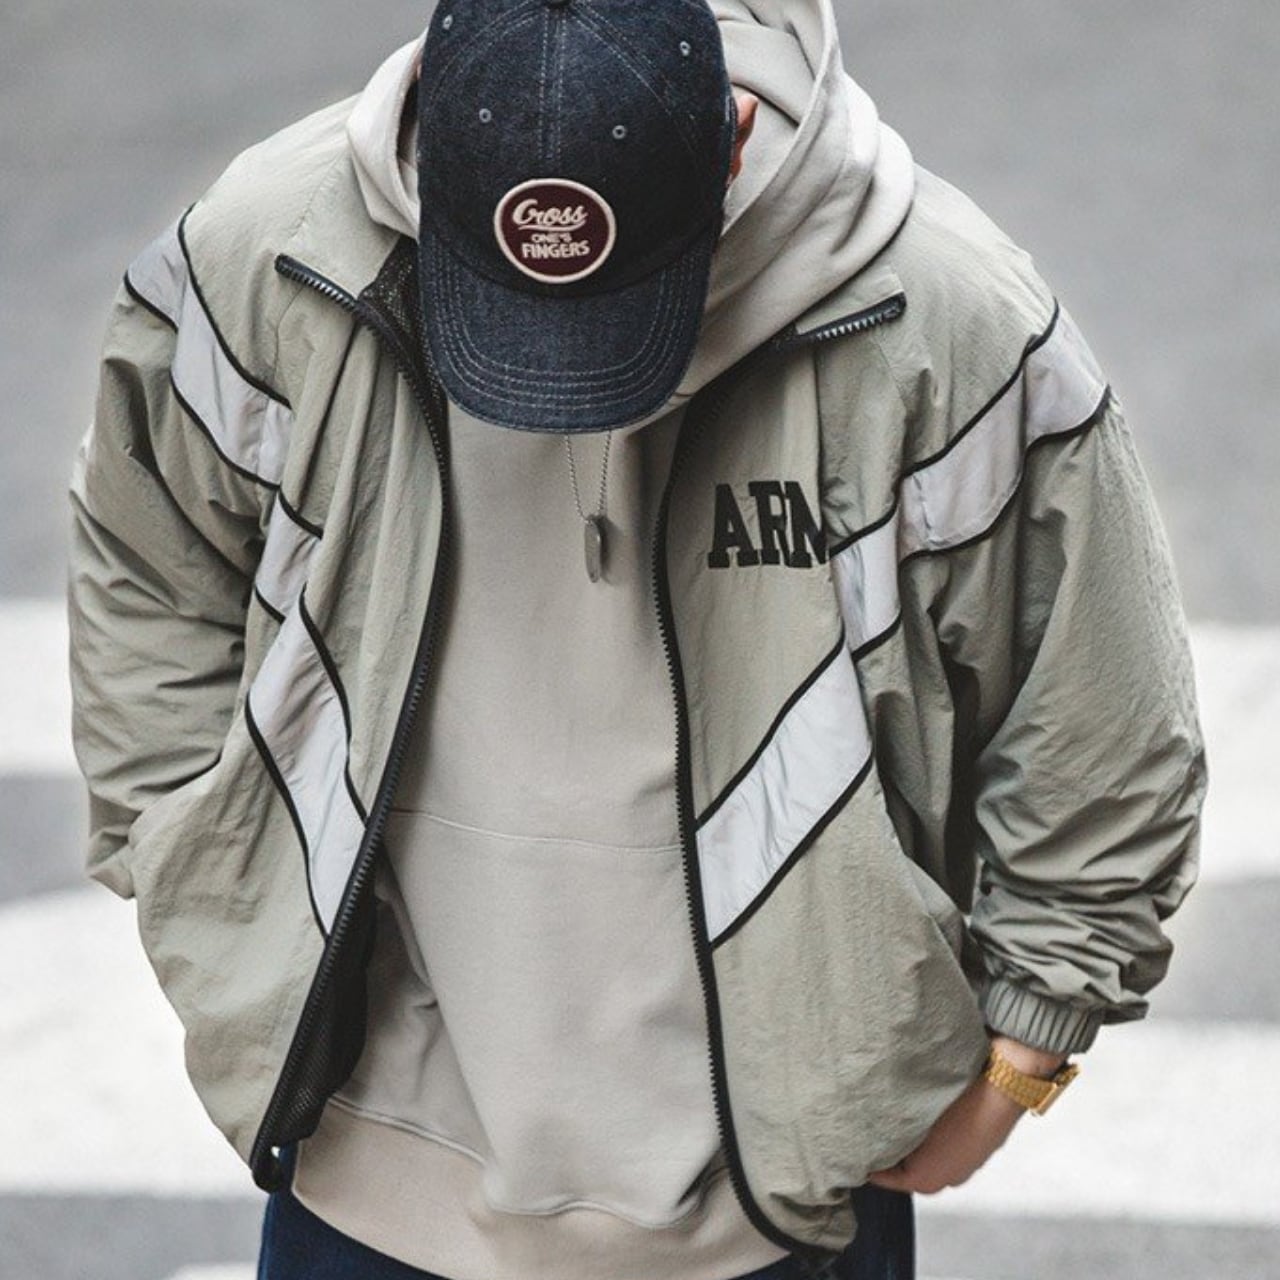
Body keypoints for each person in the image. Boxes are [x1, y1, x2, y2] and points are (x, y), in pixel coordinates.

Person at [65, 1, 1206, 1278]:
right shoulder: (271, 253)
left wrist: (1022, 1051)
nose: (566, 397)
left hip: (775, 1205)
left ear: (732, 135)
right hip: (362, 1176)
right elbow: (148, 564)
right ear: (434, 134)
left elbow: (1098, 712)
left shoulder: (943, 319)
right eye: (510, 324)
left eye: (615, 324)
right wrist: (203, 877)